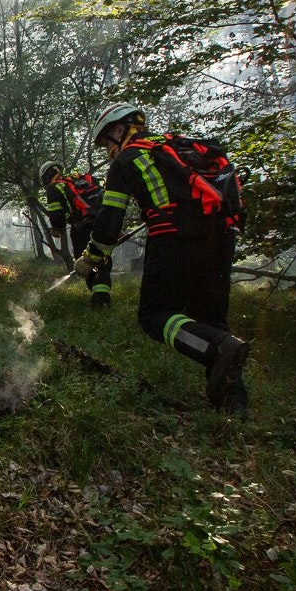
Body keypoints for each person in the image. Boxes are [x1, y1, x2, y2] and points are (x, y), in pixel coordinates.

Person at [74, 102, 249, 415]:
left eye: (106, 143)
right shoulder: (179, 146)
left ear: (118, 129)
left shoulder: (128, 159)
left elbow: (108, 223)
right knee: (210, 319)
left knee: (155, 316)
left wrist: (90, 258)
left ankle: (216, 350)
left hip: (173, 238)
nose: (107, 151)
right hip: (222, 235)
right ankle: (233, 405)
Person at [40, 161, 111, 307]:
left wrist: (56, 229)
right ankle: (103, 296)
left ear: (46, 177)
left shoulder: (54, 187)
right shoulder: (82, 178)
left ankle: (99, 300)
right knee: (102, 258)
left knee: (84, 263)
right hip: (103, 222)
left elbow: (57, 214)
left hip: (82, 228)